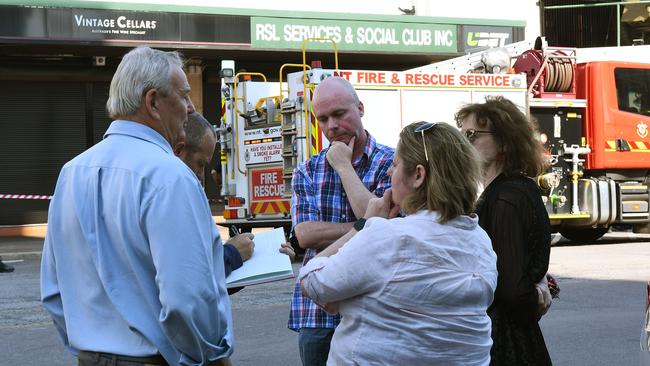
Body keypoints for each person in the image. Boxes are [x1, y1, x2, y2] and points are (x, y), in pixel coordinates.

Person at [40, 47, 233, 366]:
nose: (190, 108)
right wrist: (213, 356)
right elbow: (186, 300)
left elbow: (53, 291)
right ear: (153, 101)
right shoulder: (170, 176)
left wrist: (89, 348)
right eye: (184, 96)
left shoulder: (71, 172)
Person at [299, 122, 498, 365]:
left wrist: (363, 225)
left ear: (418, 175)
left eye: (395, 165)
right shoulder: (480, 240)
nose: (391, 174)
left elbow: (312, 281)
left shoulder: (388, 237)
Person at [288, 77, 394, 366]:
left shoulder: (393, 163)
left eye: (339, 114)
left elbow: (390, 230)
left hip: (374, 306)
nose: (331, 126)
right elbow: (306, 235)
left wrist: (344, 167)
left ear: (360, 108)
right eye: (322, 119)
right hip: (317, 315)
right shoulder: (307, 170)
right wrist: (368, 223)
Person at [456, 96, 553, 365]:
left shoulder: (506, 197)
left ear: (505, 142)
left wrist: (535, 296)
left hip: (507, 342)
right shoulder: (506, 191)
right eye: (462, 135)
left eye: (473, 134)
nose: (465, 142)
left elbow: (511, 288)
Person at [173, 112, 295, 275]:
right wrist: (232, 252)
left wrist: (273, 260)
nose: (201, 175)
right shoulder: (171, 197)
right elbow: (191, 272)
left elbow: (213, 277)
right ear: (178, 150)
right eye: (200, 163)